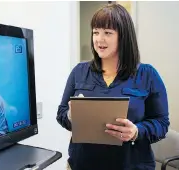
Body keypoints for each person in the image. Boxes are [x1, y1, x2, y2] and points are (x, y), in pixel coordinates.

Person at [56, 4, 169, 170]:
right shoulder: (79, 72)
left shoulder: (147, 74)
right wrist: (71, 115)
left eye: (107, 33)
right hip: (83, 164)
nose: (99, 39)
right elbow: (61, 114)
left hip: (131, 165)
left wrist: (136, 131)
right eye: (96, 32)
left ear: (123, 37)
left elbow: (161, 123)